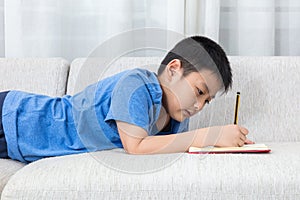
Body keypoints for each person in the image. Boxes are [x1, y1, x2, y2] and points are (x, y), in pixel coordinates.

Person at [0, 36, 254, 163]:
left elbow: (172, 150)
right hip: (17, 117)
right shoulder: (136, 85)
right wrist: (211, 135)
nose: (199, 106)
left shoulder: (177, 119)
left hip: (18, 146)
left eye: (207, 101)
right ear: (174, 69)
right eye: (199, 92)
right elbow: (136, 146)